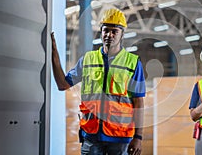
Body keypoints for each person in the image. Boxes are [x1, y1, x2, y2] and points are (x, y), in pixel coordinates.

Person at [51, 8, 146, 155]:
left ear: (122, 34)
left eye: (115, 31)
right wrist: (54, 54)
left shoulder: (132, 63)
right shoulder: (88, 59)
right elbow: (63, 84)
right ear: (101, 32)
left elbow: (138, 103)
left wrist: (138, 137)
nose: (109, 35)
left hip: (120, 138)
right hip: (91, 135)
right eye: (106, 30)